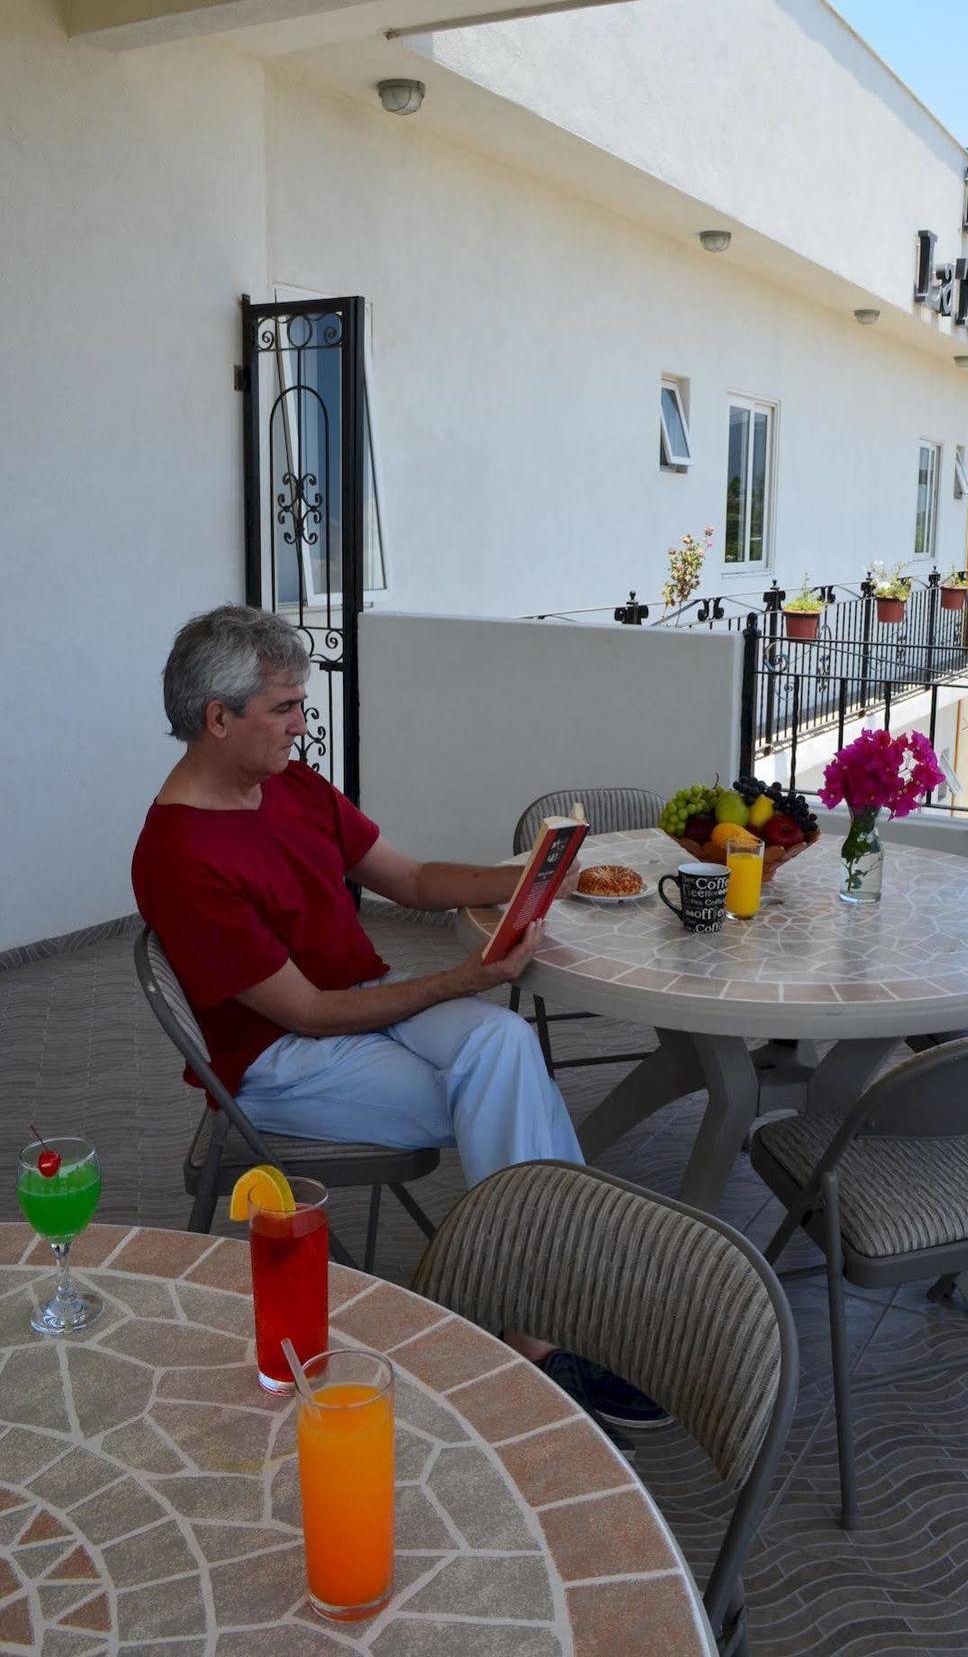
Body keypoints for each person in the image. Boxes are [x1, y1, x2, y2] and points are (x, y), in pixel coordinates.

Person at [133, 604, 663, 1440]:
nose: (301, 726)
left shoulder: (288, 786)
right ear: (217, 717)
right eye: (285, 708)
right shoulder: (177, 854)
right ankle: (547, 1326)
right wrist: (464, 977)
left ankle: (544, 1308)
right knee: (495, 1080)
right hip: (279, 1065)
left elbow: (410, 879)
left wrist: (534, 876)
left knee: (504, 1043)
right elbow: (304, 1012)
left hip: (362, 1007)